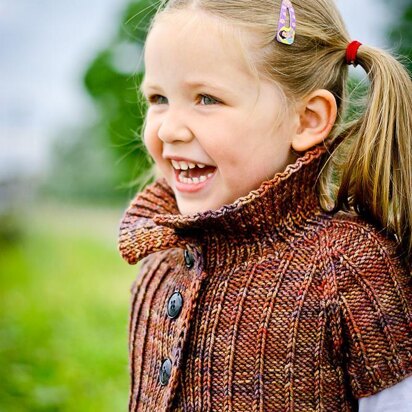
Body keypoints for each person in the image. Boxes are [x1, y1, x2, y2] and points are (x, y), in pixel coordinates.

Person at [117, 0, 412, 410]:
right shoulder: (160, 254)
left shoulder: (349, 267)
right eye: (158, 98)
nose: (168, 128)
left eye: (206, 99)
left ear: (307, 119)